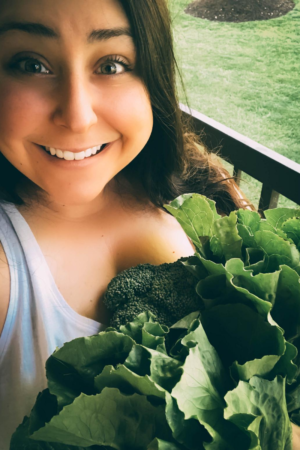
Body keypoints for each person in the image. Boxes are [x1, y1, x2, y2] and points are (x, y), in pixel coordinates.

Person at [0, 0, 294, 448]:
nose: (77, 115)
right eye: (30, 64)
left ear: (153, 76)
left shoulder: (200, 189)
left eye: (113, 64)